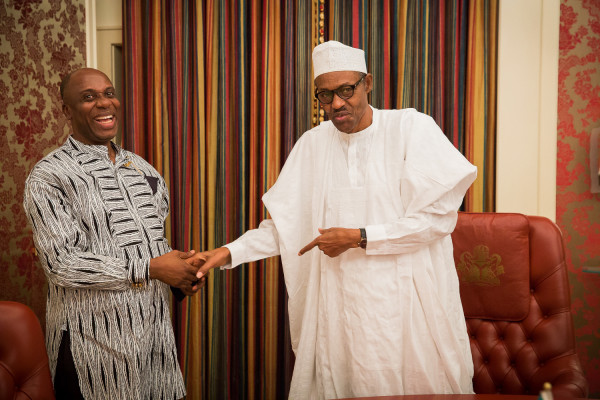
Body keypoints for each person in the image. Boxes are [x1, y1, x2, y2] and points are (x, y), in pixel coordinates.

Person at [193, 41, 477, 399]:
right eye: (325, 95)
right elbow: (287, 228)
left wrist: (360, 236)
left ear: (367, 83)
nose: (337, 104)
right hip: (341, 311)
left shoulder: (410, 128)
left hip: (408, 308)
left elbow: (437, 219)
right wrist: (226, 253)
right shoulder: (312, 145)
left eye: (346, 90)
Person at [23, 68, 203, 399]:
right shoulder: (49, 177)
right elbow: (62, 263)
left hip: (154, 346)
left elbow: (153, 247)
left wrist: (178, 274)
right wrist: (150, 268)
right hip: (92, 352)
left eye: (109, 93)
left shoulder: (144, 170)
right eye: (88, 97)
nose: (104, 103)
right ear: (67, 110)